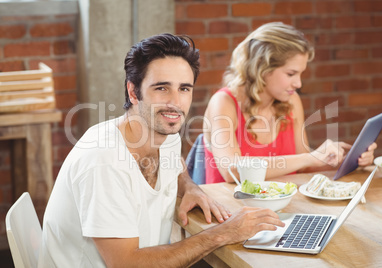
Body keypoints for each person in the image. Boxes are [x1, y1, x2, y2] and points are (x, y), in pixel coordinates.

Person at [38, 33, 285, 267]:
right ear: (133, 92)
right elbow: (126, 263)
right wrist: (223, 233)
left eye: (184, 89)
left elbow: (174, 165)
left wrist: (189, 186)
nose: (175, 102)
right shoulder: (105, 159)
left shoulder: (165, 136)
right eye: (161, 88)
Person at [203, 22, 377, 184]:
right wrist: (310, 157)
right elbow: (232, 170)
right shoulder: (224, 102)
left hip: (284, 206)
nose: (298, 84)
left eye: (300, 74)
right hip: (231, 211)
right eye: (291, 74)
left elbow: (303, 166)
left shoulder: (291, 101)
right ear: (262, 68)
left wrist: (347, 161)